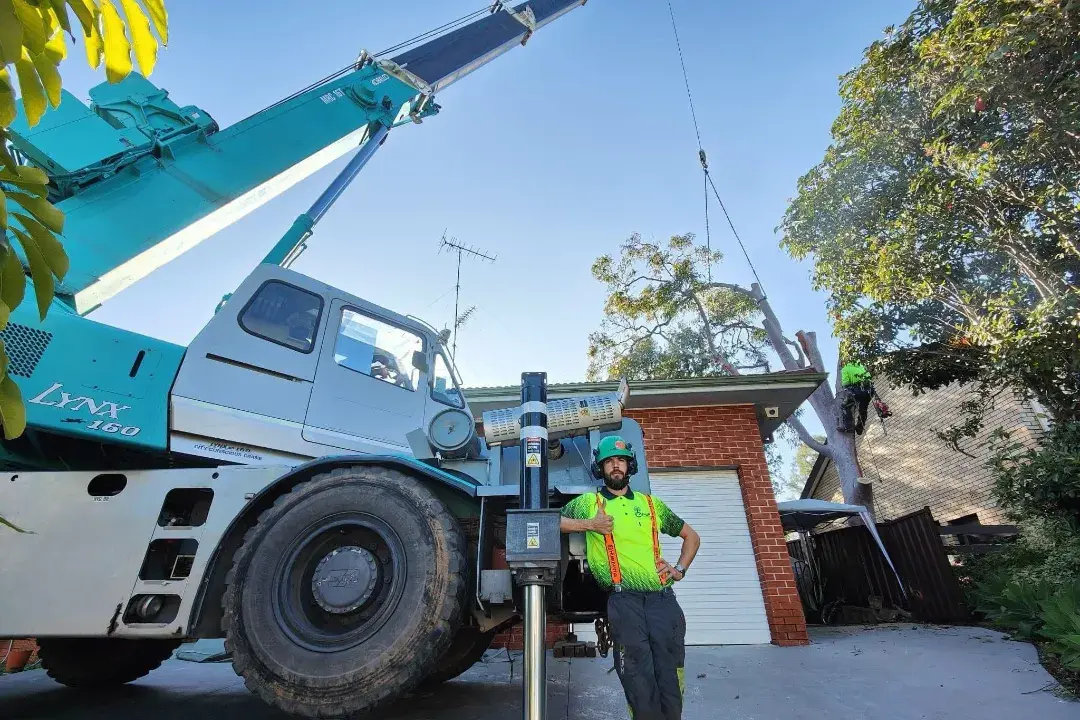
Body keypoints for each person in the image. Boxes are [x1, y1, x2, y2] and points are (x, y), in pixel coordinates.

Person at [560, 435, 701, 720]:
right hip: (624, 601)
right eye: (609, 461)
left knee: (671, 669)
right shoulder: (590, 502)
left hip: (663, 600)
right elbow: (549, 522)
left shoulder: (651, 505)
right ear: (601, 468)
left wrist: (679, 570)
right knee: (636, 672)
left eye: (621, 460)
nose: (615, 466)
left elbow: (692, 537)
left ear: (629, 466)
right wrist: (590, 524)